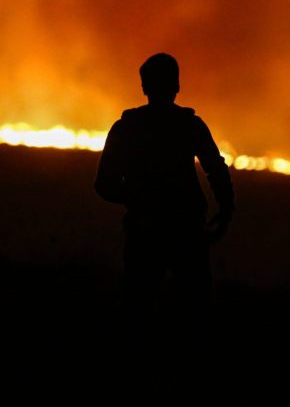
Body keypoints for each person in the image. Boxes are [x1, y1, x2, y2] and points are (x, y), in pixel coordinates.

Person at [95, 53, 234, 340]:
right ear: (177, 86)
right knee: (195, 311)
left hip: (145, 231)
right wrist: (225, 208)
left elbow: (104, 184)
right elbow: (215, 169)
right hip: (186, 229)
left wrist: (137, 199)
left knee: (138, 308)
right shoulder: (190, 125)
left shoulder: (127, 128)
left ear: (144, 87)